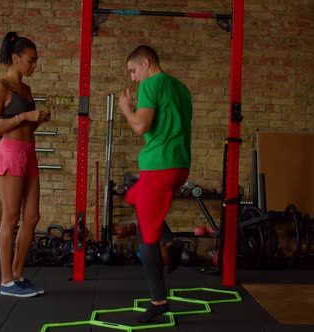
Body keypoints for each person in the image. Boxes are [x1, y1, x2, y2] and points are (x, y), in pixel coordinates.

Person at [118, 45, 192, 322]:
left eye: (133, 71)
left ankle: (158, 300)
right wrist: (141, 112)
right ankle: (172, 244)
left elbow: (141, 127)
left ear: (146, 63)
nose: (133, 78)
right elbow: (167, 123)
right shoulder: (180, 88)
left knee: (147, 234)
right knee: (134, 198)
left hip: (159, 166)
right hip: (179, 165)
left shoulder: (150, 84)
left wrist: (127, 109)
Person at [0, 31, 50, 298]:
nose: (34, 65)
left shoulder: (26, 89)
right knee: (10, 218)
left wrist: (38, 120)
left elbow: (26, 125)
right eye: (31, 60)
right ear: (15, 58)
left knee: (32, 217)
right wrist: (25, 115)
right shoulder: (2, 87)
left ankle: (18, 275)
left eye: (35, 61)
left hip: (29, 152)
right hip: (10, 152)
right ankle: (6, 281)